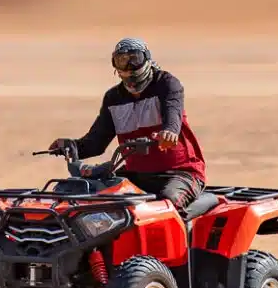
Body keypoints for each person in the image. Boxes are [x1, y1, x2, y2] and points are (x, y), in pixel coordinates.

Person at [48, 37, 208, 210]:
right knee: (94, 198)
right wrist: (69, 147)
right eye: (122, 61)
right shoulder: (114, 98)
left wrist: (169, 132)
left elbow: (173, 114)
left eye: (135, 59)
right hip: (136, 174)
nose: (129, 67)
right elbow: (96, 144)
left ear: (147, 58)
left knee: (167, 206)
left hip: (180, 173)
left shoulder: (166, 84)